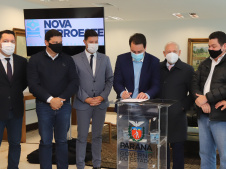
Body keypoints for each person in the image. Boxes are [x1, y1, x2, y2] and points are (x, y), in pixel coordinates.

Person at [27, 29, 77, 169]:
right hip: (44, 106)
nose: (58, 45)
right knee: (46, 142)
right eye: (55, 43)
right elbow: (33, 85)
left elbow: (74, 82)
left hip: (63, 105)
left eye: (60, 42)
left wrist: (60, 99)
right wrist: (50, 99)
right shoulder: (35, 60)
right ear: (46, 42)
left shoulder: (68, 59)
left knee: (62, 141)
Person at [113, 33, 160, 168]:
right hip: (125, 107)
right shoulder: (121, 59)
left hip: (142, 109)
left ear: (145, 47)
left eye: (139, 51)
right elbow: (117, 81)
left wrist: (147, 94)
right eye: (133, 51)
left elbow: (156, 84)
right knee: (123, 142)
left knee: (141, 143)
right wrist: (122, 92)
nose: (136, 53)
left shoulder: (154, 61)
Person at [72, 29, 113, 169]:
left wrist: (102, 96)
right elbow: (74, 82)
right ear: (84, 42)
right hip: (83, 104)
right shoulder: (75, 59)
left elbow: (109, 80)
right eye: (91, 42)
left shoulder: (105, 58)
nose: (94, 44)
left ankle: (97, 164)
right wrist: (87, 99)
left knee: (97, 136)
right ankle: (80, 165)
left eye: (96, 42)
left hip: (100, 104)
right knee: (82, 137)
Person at [191, 31, 226, 169]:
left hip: (221, 116)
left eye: (214, 46)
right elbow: (194, 83)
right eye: (209, 46)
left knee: (224, 155)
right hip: (203, 115)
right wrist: (200, 99)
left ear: (224, 46)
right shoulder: (205, 63)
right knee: (205, 153)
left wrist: (207, 98)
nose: (210, 49)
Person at [159, 42, 194, 169]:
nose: (171, 53)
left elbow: (193, 92)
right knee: (162, 149)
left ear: (179, 53)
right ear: (164, 53)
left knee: (178, 148)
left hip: (178, 115)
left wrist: (182, 106)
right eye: (168, 51)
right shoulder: (157, 67)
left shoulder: (187, 69)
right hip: (160, 115)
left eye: (174, 51)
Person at [0, 30, 27, 169]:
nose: (9, 44)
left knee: (15, 143)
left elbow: (23, 83)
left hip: (16, 110)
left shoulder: (21, 61)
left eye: (12, 41)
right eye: (5, 41)